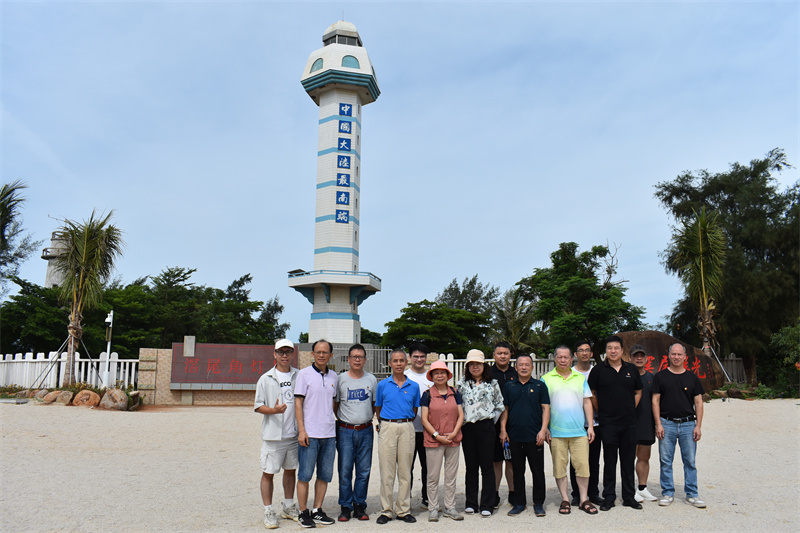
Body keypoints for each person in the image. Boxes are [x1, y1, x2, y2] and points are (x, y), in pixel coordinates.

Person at [587, 335, 643, 512]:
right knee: (609, 461)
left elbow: (638, 392)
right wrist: (602, 411)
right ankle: (609, 496)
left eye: (616, 348)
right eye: (610, 348)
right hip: (608, 423)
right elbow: (592, 393)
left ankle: (629, 496)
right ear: (606, 351)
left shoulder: (631, 369)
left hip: (629, 423)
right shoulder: (598, 370)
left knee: (628, 460)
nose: (613, 351)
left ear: (622, 350)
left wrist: (630, 408)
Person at [540, 346, 598, 516]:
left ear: (572, 358)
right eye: (560, 357)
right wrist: (545, 428)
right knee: (559, 468)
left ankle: (583, 499)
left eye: (566, 357)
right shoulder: (546, 379)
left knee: (583, 467)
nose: (563, 360)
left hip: (579, 431)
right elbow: (543, 406)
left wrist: (590, 426)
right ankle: (565, 499)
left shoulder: (580, 378)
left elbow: (587, 402)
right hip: (556, 432)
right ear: (555, 358)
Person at [652, 343, 706, 509]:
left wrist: (698, 426)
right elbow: (655, 400)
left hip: (688, 424)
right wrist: (658, 424)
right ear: (668, 355)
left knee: (690, 461)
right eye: (673, 354)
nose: (676, 357)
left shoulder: (692, 377)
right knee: (665, 460)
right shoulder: (660, 376)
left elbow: (699, 402)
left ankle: (692, 494)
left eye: (679, 354)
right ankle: (667, 492)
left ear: (684, 357)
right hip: (666, 423)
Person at [254, 339, 300, 529]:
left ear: (293, 354)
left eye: (288, 351)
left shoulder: (299, 376)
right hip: (273, 436)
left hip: (293, 435)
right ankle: (268, 510)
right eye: (281, 352)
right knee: (268, 473)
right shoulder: (266, 378)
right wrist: (274, 410)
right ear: (274, 354)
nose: (284, 355)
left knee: (290, 470)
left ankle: (288, 506)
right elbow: (258, 405)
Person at [499, 353, 550, 518]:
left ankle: (538, 503)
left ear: (532, 367)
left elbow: (546, 408)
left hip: (535, 436)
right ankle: (519, 503)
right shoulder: (509, 386)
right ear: (516, 367)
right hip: (514, 435)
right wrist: (503, 430)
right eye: (520, 364)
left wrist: (543, 430)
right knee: (517, 471)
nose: (524, 367)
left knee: (537, 471)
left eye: (527, 364)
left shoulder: (540, 386)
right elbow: (505, 409)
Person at [294, 339, 338, 528]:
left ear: (330, 355)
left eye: (325, 352)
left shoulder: (334, 377)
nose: (321, 355)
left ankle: (317, 510)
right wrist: (302, 430)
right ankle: (303, 512)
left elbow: (334, 403)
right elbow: (298, 403)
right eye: (318, 352)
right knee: (305, 474)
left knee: (324, 475)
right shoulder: (304, 375)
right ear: (312, 354)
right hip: (310, 434)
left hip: (329, 434)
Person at [457, 349, 505, 517]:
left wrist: (490, 422)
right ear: (467, 366)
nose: (475, 367)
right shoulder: (461, 384)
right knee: (471, 466)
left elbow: (499, 405)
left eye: (478, 364)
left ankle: (487, 504)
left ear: (484, 365)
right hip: (468, 427)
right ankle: (471, 503)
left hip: (486, 427)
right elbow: (458, 407)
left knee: (487, 466)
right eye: (471, 364)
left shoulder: (492, 383)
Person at [374, 349, 420, 524]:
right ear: (390, 363)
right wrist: (387, 423)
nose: (399, 364)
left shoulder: (413, 386)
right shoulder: (382, 385)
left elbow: (414, 409)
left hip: (407, 426)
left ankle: (403, 510)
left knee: (405, 471)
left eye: (402, 360)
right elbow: (378, 408)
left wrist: (403, 421)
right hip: (388, 426)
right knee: (387, 471)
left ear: (406, 363)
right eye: (395, 361)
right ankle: (386, 510)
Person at [336, 343, 378, 522]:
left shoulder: (371, 379)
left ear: (365, 360)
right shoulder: (341, 379)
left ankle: (359, 504)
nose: (357, 360)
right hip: (345, 430)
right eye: (354, 357)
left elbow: (374, 404)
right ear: (348, 359)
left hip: (365, 430)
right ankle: (345, 506)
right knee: (345, 470)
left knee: (364, 470)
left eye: (360, 357)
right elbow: (335, 405)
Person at [421, 360, 465, 522]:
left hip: (453, 439)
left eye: (442, 373)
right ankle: (433, 508)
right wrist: (436, 435)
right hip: (434, 440)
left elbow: (461, 415)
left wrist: (453, 433)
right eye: (436, 373)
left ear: (447, 375)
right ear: (432, 376)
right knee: (433, 476)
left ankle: (450, 507)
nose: (439, 376)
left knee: (451, 476)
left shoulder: (455, 392)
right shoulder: (427, 394)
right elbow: (424, 419)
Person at [569, 340, 603, 506]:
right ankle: (576, 493)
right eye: (581, 350)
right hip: (575, 424)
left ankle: (593, 492)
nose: (584, 353)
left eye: (587, 350)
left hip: (595, 423)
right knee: (575, 461)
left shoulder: (599, 372)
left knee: (593, 460)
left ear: (591, 354)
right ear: (575, 354)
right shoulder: (570, 373)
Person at [404, 342, 433, 510]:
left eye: (422, 356)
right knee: (407, 466)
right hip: (408, 429)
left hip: (428, 430)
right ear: (410, 358)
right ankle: (405, 498)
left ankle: (427, 497)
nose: (419, 359)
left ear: (426, 358)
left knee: (428, 466)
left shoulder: (431, 377)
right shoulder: (404, 376)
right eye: (415, 356)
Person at [490, 341, 517, 508]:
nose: (502, 356)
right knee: (496, 460)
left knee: (511, 460)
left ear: (510, 355)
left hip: (514, 423)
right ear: (494, 355)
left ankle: (513, 493)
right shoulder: (488, 374)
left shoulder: (516, 373)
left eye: (505, 353)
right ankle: (494, 493)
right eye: (499, 353)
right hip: (493, 424)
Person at [630, 344, 658, 503]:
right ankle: (630, 489)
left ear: (647, 358)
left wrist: (657, 423)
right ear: (630, 358)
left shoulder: (652, 378)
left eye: (642, 356)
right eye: (636, 356)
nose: (639, 358)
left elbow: (657, 401)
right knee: (629, 457)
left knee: (644, 457)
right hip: (630, 423)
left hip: (647, 422)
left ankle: (642, 487)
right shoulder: (627, 376)